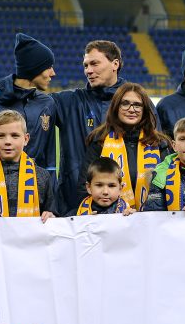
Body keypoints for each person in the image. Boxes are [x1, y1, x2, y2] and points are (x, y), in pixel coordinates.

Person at [49, 39, 127, 212]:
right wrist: (2, 88)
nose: (88, 71)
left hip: (125, 209)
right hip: (74, 207)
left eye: (94, 64)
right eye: (85, 66)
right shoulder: (69, 102)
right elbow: (31, 100)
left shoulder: (135, 103)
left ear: (115, 64)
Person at [0, 34, 56, 185]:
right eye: (48, 67)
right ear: (34, 68)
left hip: (36, 194)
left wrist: (51, 203)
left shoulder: (47, 103)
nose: (53, 73)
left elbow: (50, 159)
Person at [88, 83, 165, 207]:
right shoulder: (99, 140)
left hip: (152, 219)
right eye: (125, 103)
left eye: (137, 105)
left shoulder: (160, 143)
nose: (131, 109)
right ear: (116, 107)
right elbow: (86, 184)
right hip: (111, 218)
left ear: (144, 110)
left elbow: (172, 183)